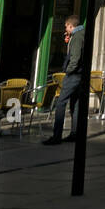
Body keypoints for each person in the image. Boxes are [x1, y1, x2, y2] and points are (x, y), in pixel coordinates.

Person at [43, 15, 84, 145]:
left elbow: (75, 57)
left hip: (74, 75)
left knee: (61, 103)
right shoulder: (80, 35)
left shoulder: (77, 37)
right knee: (75, 104)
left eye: (66, 26)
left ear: (71, 26)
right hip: (80, 75)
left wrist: (68, 71)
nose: (65, 28)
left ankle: (57, 135)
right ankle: (74, 133)